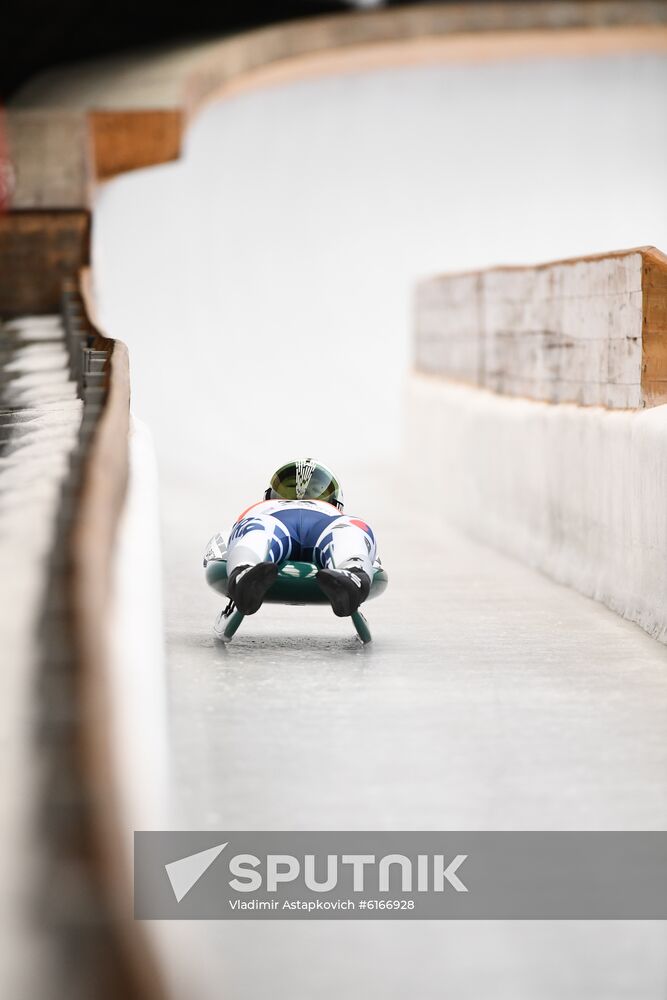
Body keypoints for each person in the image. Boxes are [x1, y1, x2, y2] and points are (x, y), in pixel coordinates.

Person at [205, 458, 380, 618]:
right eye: (290, 488)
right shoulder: (262, 511)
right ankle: (245, 573)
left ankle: (351, 576)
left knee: (349, 530)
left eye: (314, 490)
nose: (301, 496)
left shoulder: (337, 517)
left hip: (325, 522)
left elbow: (217, 548)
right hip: (274, 518)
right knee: (258, 529)